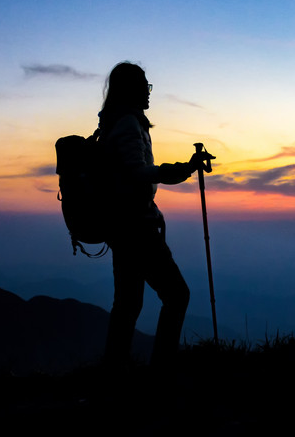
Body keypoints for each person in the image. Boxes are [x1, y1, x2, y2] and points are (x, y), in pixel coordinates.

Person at [98, 61, 213, 367]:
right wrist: (185, 169)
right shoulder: (127, 125)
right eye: (145, 87)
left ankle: (114, 373)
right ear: (131, 90)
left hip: (123, 226)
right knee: (176, 295)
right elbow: (138, 173)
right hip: (135, 228)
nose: (149, 94)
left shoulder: (118, 122)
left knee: (128, 304)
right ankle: (161, 371)